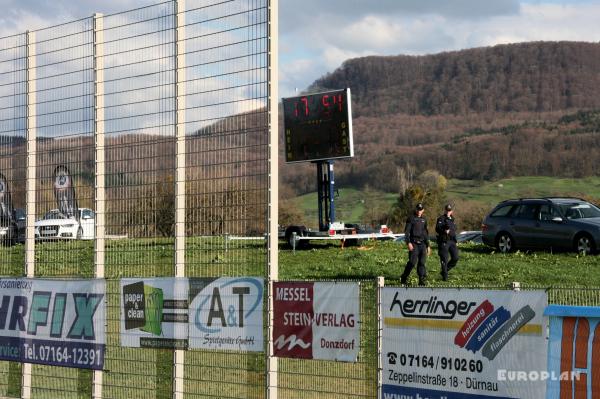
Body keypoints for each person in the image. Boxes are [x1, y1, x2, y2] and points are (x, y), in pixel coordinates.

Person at [401, 203, 431, 286]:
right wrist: (408, 243)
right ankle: (404, 276)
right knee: (412, 262)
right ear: (416, 209)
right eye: (418, 209)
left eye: (421, 210)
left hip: (422, 244)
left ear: (423, 210)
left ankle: (421, 280)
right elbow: (406, 232)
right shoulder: (411, 218)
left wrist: (428, 245)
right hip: (414, 243)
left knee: (422, 262)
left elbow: (425, 233)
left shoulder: (424, 219)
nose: (419, 211)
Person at [436, 204, 459, 281]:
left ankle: (444, 271)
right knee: (444, 259)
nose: (448, 212)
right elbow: (437, 229)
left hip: (452, 241)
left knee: (455, 258)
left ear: (451, 211)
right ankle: (445, 277)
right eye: (446, 210)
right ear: (444, 210)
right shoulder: (441, 219)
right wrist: (444, 230)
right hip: (444, 241)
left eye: (449, 210)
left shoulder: (453, 219)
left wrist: (455, 241)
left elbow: (454, 230)